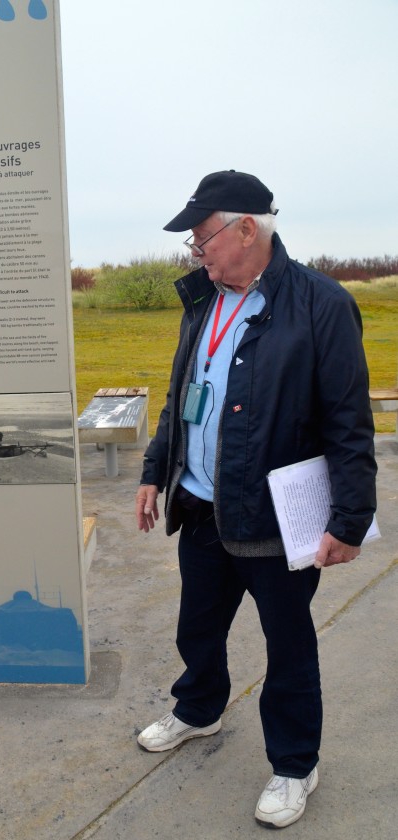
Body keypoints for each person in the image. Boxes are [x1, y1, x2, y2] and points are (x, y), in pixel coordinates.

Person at [135, 170, 377, 829]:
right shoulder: (203, 303)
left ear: (248, 229)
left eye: (201, 236)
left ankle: (296, 764)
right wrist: (156, 470)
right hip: (201, 508)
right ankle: (199, 709)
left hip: (275, 515)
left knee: (288, 646)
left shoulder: (321, 305)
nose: (195, 251)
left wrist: (350, 519)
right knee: (198, 627)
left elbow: (349, 423)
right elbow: (179, 396)